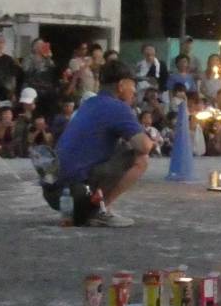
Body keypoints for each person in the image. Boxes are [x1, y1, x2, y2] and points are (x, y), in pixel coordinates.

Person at [42, 60, 154, 227]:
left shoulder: (89, 103)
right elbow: (145, 146)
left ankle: (85, 210)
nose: (134, 91)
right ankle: (100, 210)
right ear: (121, 85)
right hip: (76, 192)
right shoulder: (117, 107)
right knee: (141, 158)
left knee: (120, 146)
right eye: (132, 85)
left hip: (53, 192)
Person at [0, 33, 22, 104]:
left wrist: (13, 93)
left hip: (5, 94)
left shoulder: (9, 59)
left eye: (3, 42)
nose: (1, 45)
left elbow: (15, 77)